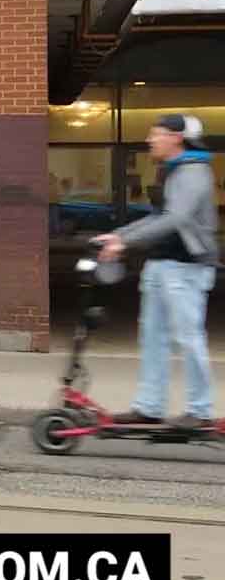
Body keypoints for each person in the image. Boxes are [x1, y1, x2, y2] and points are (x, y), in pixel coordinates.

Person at [92, 113, 218, 429]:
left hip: (185, 267)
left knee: (188, 338)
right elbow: (157, 216)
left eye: (155, 134)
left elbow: (175, 219)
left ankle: (200, 411)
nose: (150, 140)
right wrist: (120, 236)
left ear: (175, 137)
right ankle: (149, 406)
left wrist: (124, 243)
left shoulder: (193, 171)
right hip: (161, 265)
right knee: (152, 338)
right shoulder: (173, 170)